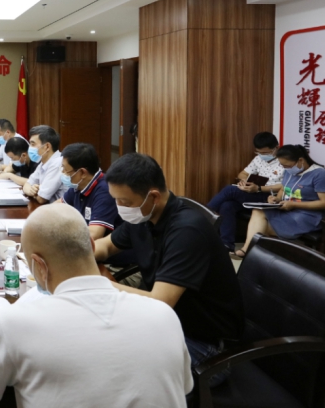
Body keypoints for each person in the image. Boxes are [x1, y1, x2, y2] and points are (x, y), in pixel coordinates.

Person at [0, 204, 193, 407]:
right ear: (92, 246)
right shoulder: (164, 316)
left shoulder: (15, 323)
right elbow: (181, 387)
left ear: (39, 266)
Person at [94, 153, 244, 386]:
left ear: (153, 196)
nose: (120, 208)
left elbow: (160, 301)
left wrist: (95, 283)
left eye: (125, 202)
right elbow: (105, 246)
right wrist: (71, 257)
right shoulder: (143, 216)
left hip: (208, 350)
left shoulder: (187, 230)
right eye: (116, 200)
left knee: (107, 362)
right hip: (168, 324)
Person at [236, 144, 325, 258]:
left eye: (287, 165)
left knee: (260, 229)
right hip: (287, 209)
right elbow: (284, 188)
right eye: (282, 165)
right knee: (258, 211)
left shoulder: (321, 175)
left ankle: (251, 252)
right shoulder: (289, 171)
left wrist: (293, 204)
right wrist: (276, 198)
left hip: (307, 215)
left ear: (300, 160)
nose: (285, 168)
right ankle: (248, 250)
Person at [207, 131, 284, 252]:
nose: (262, 155)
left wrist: (259, 188)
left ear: (276, 147)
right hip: (254, 192)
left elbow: (286, 186)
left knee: (230, 190)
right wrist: (245, 182)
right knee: (227, 205)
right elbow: (242, 174)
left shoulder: (285, 161)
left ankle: (203, 218)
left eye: (266, 153)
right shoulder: (258, 159)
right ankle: (227, 245)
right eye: (259, 152)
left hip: (270, 196)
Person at [58, 143, 123, 241]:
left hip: (105, 248)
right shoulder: (78, 185)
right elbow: (57, 206)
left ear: (82, 173)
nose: (62, 172)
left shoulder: (105, 191)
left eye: (65, 170)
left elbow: (94, 234)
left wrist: (58, 235)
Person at [22, 125, 66, 203]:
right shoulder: (43, 162)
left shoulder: (58, 163)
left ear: (47, 147)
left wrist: (35, 193)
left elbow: (42, 199)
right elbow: (27, 184)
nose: (29, 148)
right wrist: (31, 191)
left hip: (59, 209)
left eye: (33, 144)